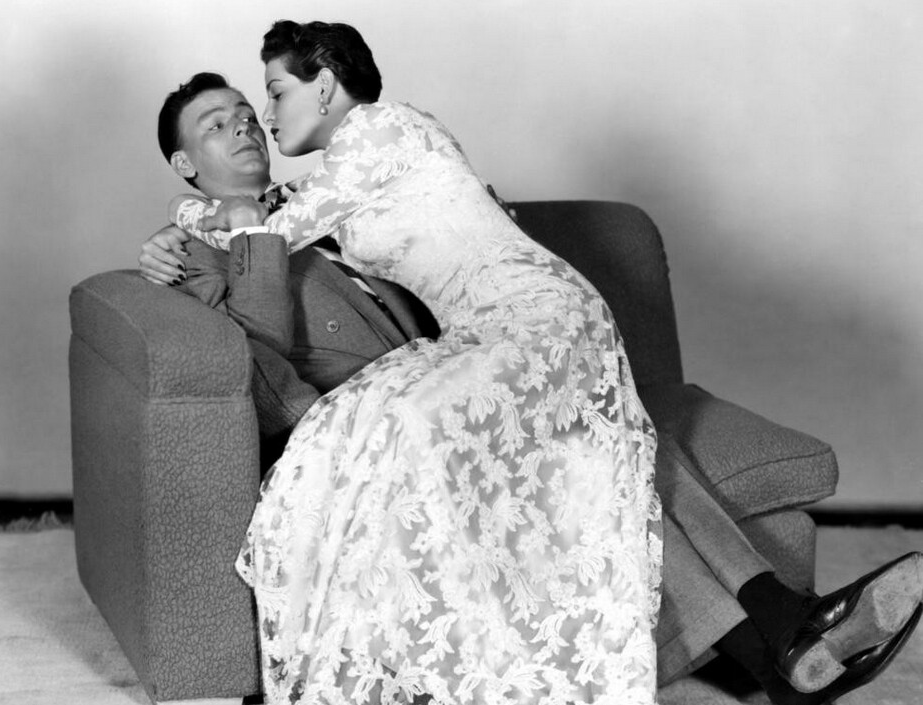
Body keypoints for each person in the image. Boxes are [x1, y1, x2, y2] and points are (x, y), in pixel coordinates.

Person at [141, 43, 922, 703]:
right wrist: (235, 230)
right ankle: (777, 641)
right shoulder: (198, 254)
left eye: (249, 110)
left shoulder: (333, 189)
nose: (246, 124)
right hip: (394, 420)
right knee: (597, 450)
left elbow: (450, 229)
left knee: (616, 444)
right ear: (184, 163)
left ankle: (784, 642)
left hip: (467, 371)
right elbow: (259, 351)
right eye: (217, 124)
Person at [168, 21, 663, 704]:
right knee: (397, 428)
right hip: (480, 334)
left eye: (273, 95)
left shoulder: (381, 129)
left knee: (412, 424)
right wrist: (190, 220)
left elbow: (270, 228)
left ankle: (435, 670)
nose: (265, 119)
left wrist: (186, 212)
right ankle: (419, 662)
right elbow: (274, 221)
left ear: (324, 86)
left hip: (538, 316)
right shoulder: (345, 171)